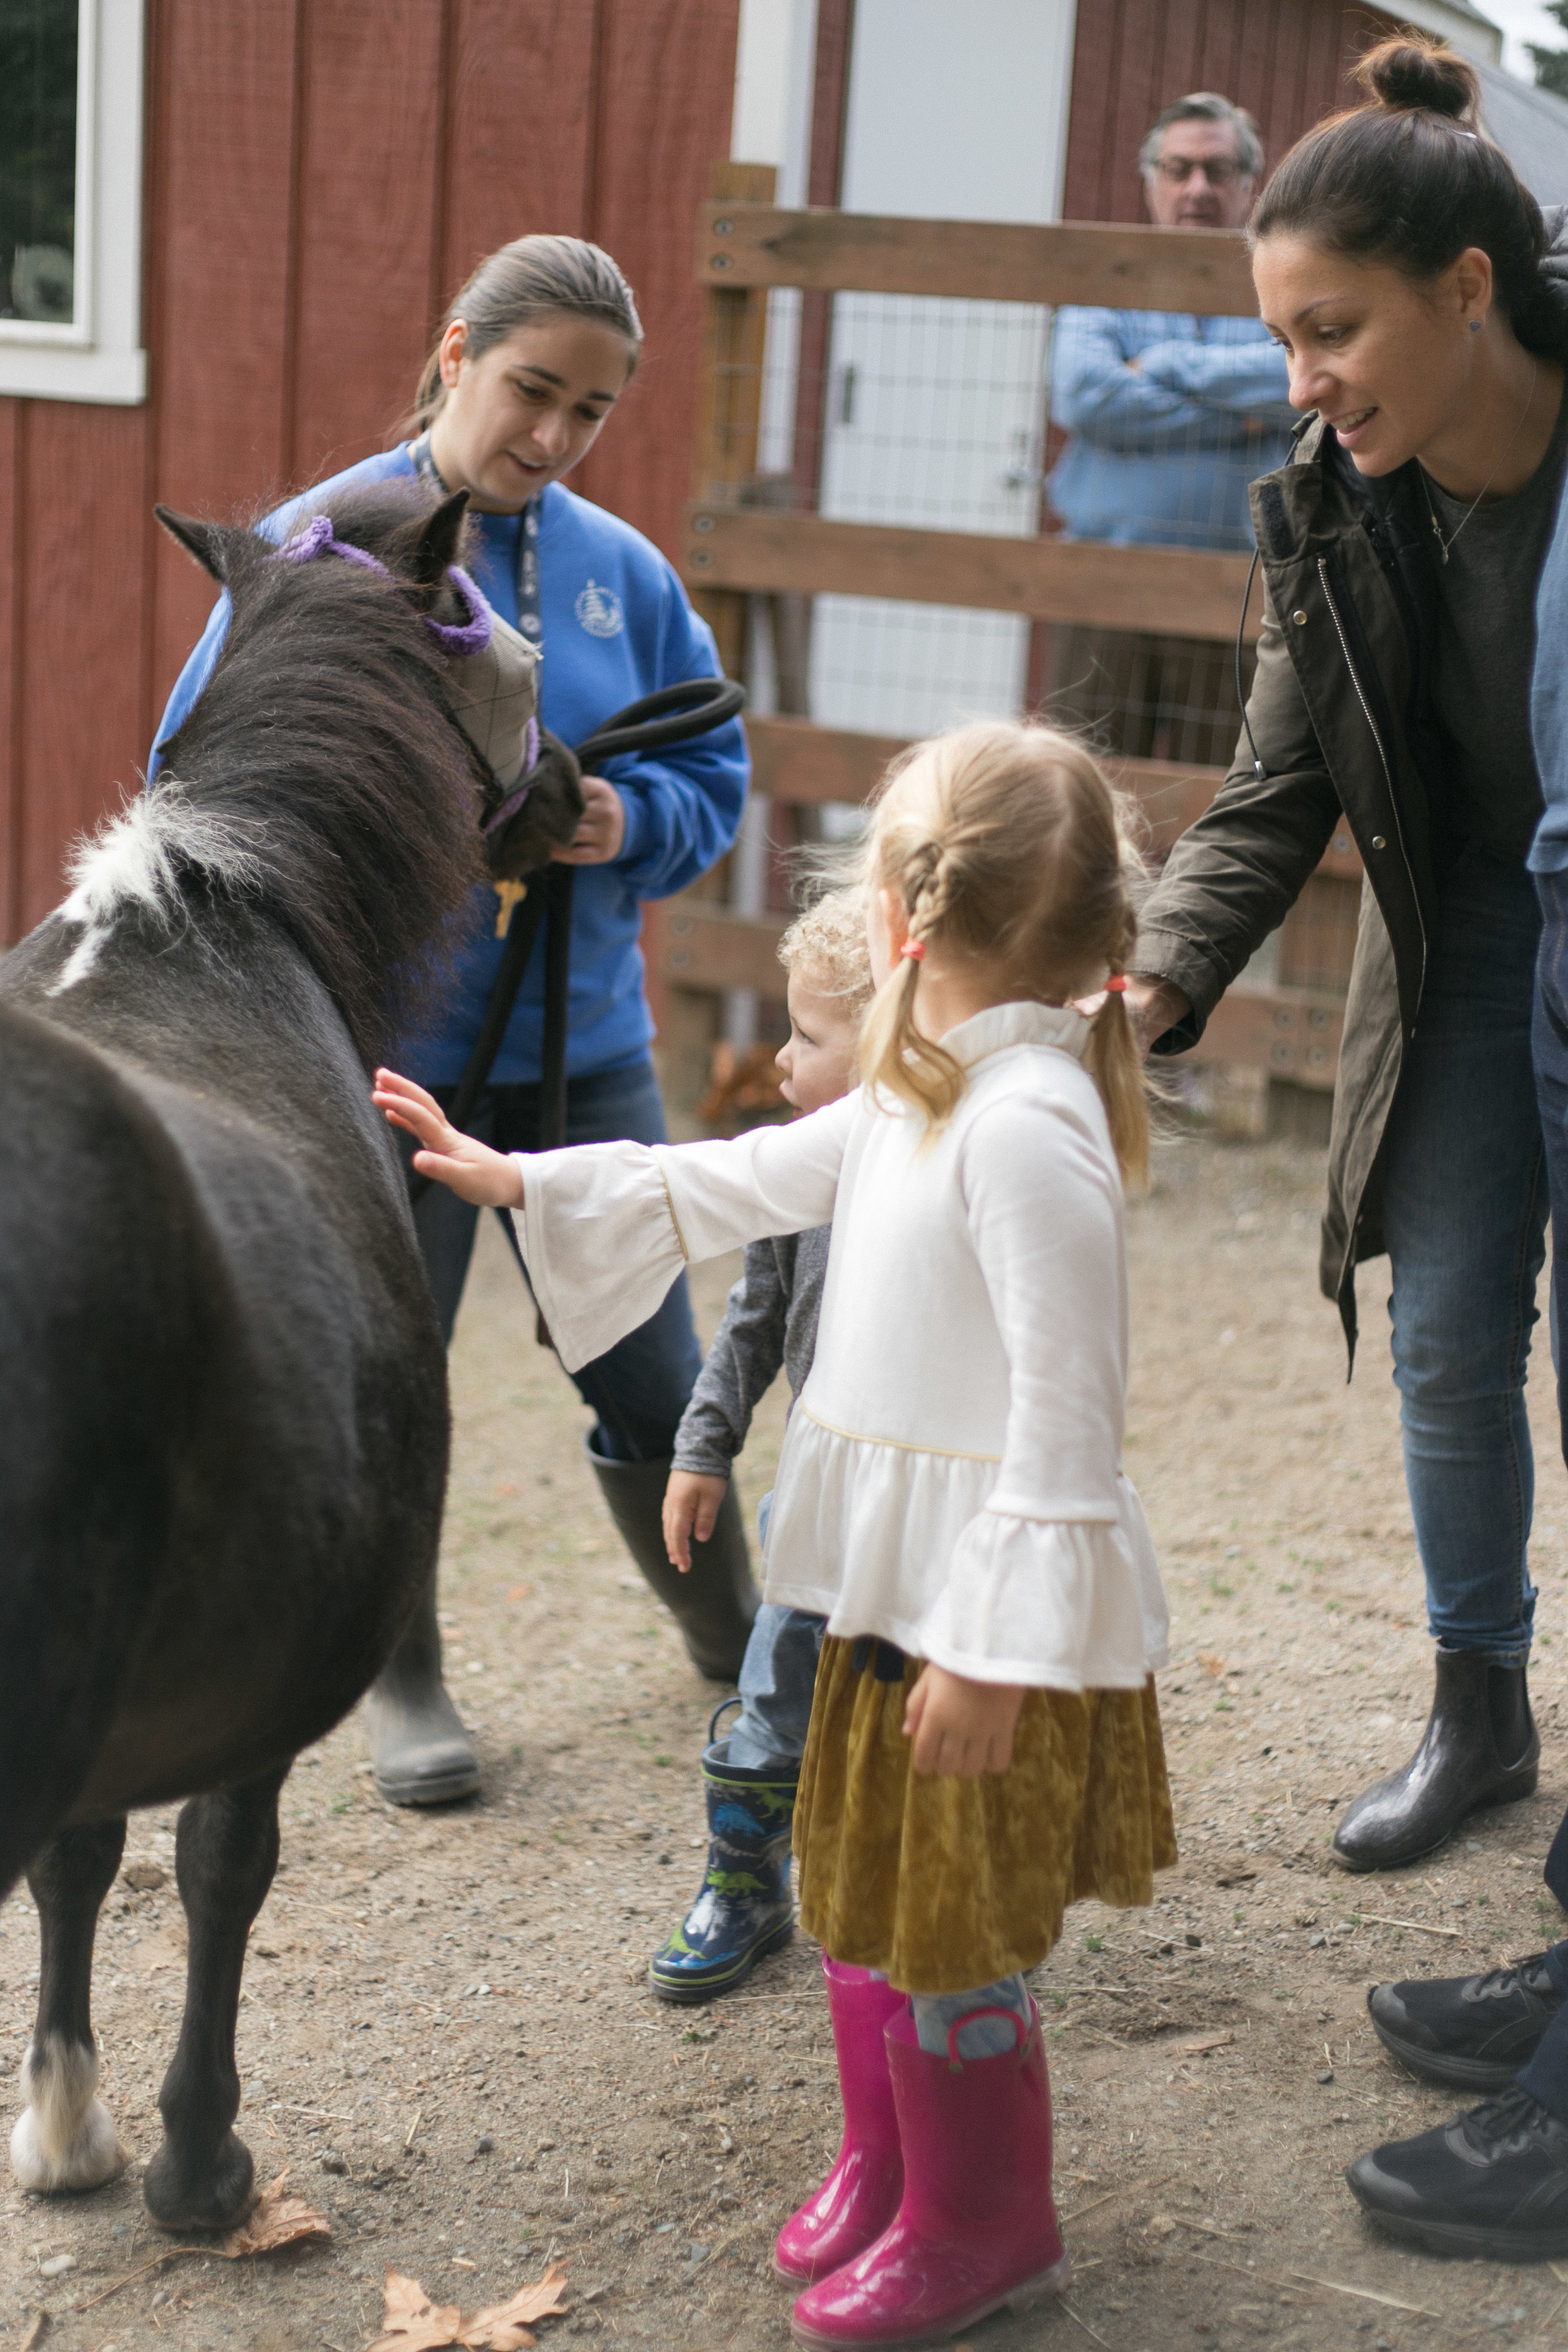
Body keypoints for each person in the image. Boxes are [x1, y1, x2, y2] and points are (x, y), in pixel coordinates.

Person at [374, 719, 1175, 2343]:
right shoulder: (915, 1091)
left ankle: (982, 2213)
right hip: (880, 1594)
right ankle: (889, 2165)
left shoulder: (1025, 1127)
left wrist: (987, 1645)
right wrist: (521, 1179)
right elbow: (735, 1178)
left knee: (950, 1929)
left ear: (903, 924)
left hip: (962, 1620)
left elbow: (1066, 1429)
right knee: (862, 1890)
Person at [150, 235, 755, 1809]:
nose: (550, 435)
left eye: (591, 411)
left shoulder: (627, 575)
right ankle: (401, 1672)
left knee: (649, 1363)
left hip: (587, 1046)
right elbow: (196, 766)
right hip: (385, 1053)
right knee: (388, 1378)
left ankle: (727, 1624)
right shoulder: (320, 543)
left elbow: (715, 781)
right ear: (454, 354)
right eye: (529, 390)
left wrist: (614, 823)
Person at [1125, 37, 1568, 1875]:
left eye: (1333, 332)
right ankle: (1475, 1702)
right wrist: (1145, 982)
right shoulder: (1321, 499)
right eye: (1279, 342)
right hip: (1467, 932)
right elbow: (1268, 785)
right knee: (1446, 1338)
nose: (1301, 382)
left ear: (1463, 292)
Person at [649, 887, 873, 2006]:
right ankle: (745, 1881)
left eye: (809, 1038)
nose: (780, 1062)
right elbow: (749, 1324)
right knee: (776, 1688)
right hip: (819, 1503)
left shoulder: (960, 1168)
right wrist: (705, 1448)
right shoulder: (796, 1175)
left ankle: (946, 1899)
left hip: (937, 1517)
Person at [1046, 91, 1296, 769]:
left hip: (1234, 600)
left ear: (1249, 184)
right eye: (1178, 168)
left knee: (1216, 806)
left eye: (1217, 171)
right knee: (1078, 799)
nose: (1197, 189)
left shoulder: (1280, 285)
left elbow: (1296, 381)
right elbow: (1088, 397)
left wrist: (1163, 366)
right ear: (1149, 179)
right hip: (1103, 585)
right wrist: (1238, 415)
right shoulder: (1107, 279)